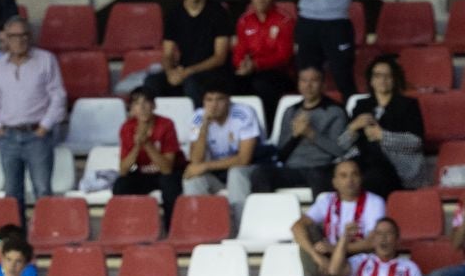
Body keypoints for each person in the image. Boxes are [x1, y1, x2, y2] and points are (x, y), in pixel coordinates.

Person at [0, 16, 66, 217]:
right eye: (13, 36)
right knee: (12, 195)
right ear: (6, 38)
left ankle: (44, 236)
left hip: (37, 135)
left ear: (30, 37)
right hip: (8, 137)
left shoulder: (46, 59)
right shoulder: (0, 65)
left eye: (23, 35)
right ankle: (15, 241)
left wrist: (45, 126)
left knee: (43, 191)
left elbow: (58, 96)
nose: (19, 40)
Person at [292, 159, 387, 276]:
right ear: (335, 182)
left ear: (361, 178)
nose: (350, 180)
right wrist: (317, 257)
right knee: (308, 231)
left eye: (354, 175)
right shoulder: (327, 200)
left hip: (358, 255)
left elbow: (373, 242)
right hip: (331, 255)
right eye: (343, 176)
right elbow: (296, 227)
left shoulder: (375, 202)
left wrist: (336, 248)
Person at [146, 0, 232, 104]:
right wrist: (170, 73)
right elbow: (167, 54)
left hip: (213, 73)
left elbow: (220, 57)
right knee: (151, 82)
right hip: (184, 71)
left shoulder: (218, 12)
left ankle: (200, 125)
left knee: (192, 84)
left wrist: (189, 71)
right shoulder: (174, 14)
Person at [260, 66, 350, 196]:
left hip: (321, 168)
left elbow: (339, 150)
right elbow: (280, 153)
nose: (308, 85)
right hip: (292, 169)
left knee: (319, 177)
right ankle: (266, 214)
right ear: (298, 84)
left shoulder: (335, 111)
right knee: (261, 174)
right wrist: (295, 135)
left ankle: (320, 216)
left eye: (314, 81)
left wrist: (310, 133)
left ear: (323, 85)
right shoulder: (290, 111)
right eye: (304, 80)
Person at [343, 55, 424, 194]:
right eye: (378, 75)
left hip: (397, 167)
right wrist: (352, 127)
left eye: (388, 76)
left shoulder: (408, 105)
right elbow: (342, 145)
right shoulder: (361, 106)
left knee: (371, 179)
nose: (383, 80)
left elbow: (416, 142)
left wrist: (382, 135)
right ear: (371, 80)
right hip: (363, 164)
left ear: (394, 79)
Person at [178, 87, 262, 212]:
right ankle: (198, 226)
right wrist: (204, 127)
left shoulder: (244, 113)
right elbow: (195, 160)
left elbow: (244, 159)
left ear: (228, 100)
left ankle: (240, 226)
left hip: (247, 172)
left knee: (235, 173)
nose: (213, 105)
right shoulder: (197, 118)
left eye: (219, 99)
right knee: (192, 177)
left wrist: (206, 166)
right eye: (209, 100)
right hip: (217, 175)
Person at [114, 88, 185, 233]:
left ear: (154, 105)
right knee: (121, 184)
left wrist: (147, 144)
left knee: (169, 184)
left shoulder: (166, 125)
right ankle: (129, 229)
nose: (142, 107)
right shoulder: (127, 128)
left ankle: (173, 230)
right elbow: (123, 170)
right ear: (132, 109)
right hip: (142, 172)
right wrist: (137, 146)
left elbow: (167, 168)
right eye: (137, 104)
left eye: (146, 102)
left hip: (169, 173)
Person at [231, 0, 296, 124]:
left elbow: (284, 56)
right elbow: (239, 51)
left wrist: (256, 64)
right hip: (251, 72)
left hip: (280, 74)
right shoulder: (244, 21)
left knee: (262, 85)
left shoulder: (285, 20)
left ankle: (268, 130)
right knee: (229, 84)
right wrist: (241, 64)